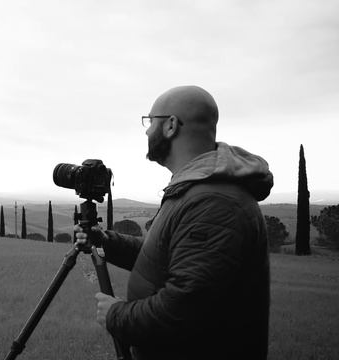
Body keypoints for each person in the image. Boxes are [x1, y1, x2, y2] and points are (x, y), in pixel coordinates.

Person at [75, 85, 272, 360]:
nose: (146, 131)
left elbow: (184, 309)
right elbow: (164, 258)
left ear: (170, 125)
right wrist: (104, 240)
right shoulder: (196, 189)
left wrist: (116, 315)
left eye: (149, 121)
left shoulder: (214, 203)